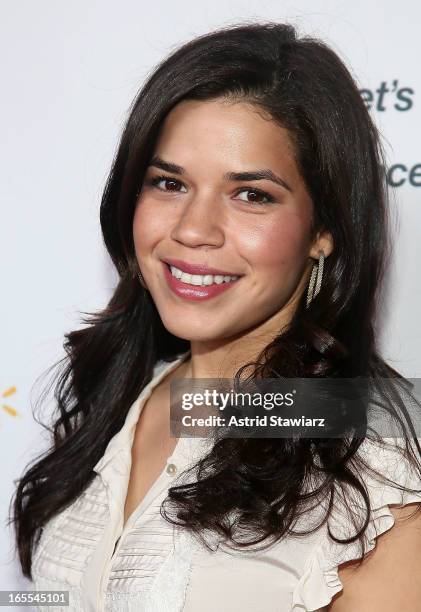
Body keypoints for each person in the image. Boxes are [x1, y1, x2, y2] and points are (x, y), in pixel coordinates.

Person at [9, 21, 421, 612]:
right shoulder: (112, 403)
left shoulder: (372, 477)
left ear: (324, 229)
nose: (193, 230)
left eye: (252, 194)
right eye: (168, 183)